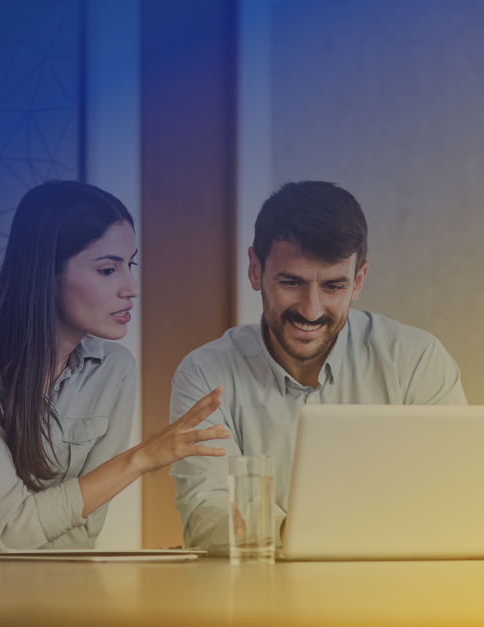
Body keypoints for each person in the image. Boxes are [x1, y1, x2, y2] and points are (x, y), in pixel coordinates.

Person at [0, 180, 230, 562]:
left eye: (130, 264)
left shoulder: (115, 369)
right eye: (108, 269)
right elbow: (13, 527)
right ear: (46, 274)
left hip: (22, 564)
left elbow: (83, 534)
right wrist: (139, 458)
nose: (132, 288)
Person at [170, 181, 467, 556]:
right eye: (291, 282)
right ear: (255, 270)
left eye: (333, 286)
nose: (311, 310)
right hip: (262, 601)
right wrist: (301, 531)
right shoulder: (204, 375)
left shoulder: (416, 361)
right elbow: (204, 511)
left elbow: (454, 496)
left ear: (357, 282)